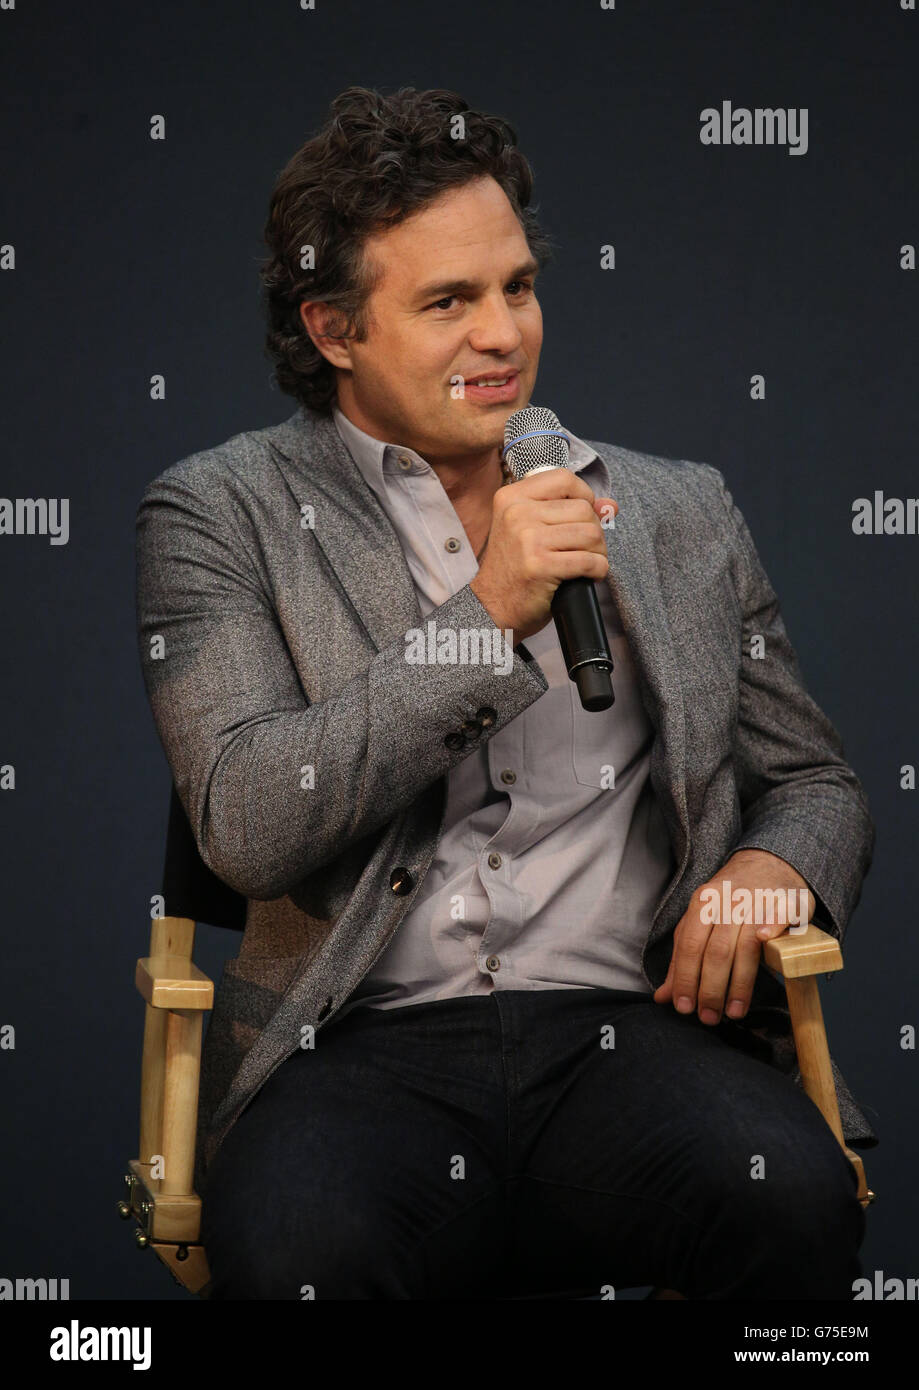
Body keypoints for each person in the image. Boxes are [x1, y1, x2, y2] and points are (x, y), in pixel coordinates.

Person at [134, 85, 876, 1300]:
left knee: (787, 1200)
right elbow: (252, 820)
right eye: (447, 302)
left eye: (516, 287)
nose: (503, 334)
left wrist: (773, 868)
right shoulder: (220, 514)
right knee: (308, 1253)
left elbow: (815, 781)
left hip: (624, 1030)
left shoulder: (680, 508)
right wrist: (486, 616)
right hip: (355, 1046)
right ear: (333, 331)